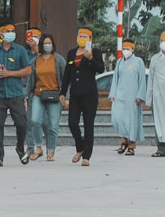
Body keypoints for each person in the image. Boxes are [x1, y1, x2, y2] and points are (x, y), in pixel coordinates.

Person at [0, 24, 33, 166]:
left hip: (16, 93)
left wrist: (9, 73)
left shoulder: (20, 50)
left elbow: (28, 70)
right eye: (7, 31)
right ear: (1, 34)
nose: (11, 33)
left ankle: (20, 147)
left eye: (12, 31)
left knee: (22, 124)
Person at [64, 33, 104, 166]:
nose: (82, 38)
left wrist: (91, 58)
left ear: (90, 39)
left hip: (89, 95)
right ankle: (80, 147)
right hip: (75, 94)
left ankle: (86, 156)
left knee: (88, 125)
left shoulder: (95, 52)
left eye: (85, 36)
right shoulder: (71, 53)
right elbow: (67, 74)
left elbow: (101, 69)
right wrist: (63, 92)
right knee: (72, 123)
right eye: (80, 36)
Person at [26, 32, 65, 163]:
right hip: (38, 95)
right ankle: (39, 147)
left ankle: (51, 151)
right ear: (41, 45)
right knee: (35, 120)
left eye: (49, 43)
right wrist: (27, 96)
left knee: (53, 125)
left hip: (55, 95)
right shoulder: (35, 61)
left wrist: (66, 96)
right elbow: (30, 81)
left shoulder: (59, 60)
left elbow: (66, 79)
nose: (47, 45)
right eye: (45, 43)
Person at [108, 39, 148, 155]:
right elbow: (115, 79)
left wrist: (140, 95)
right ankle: (123, 140)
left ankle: (131, 145)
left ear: (133, 49)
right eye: (124, 48)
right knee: (117, 119)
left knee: (131, 121)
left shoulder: (138, 62)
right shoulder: (119, 62)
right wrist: (113, 94)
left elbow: (142, 80)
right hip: (119, 96)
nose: (125, 51)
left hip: (132, 97)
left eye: (128, 49)